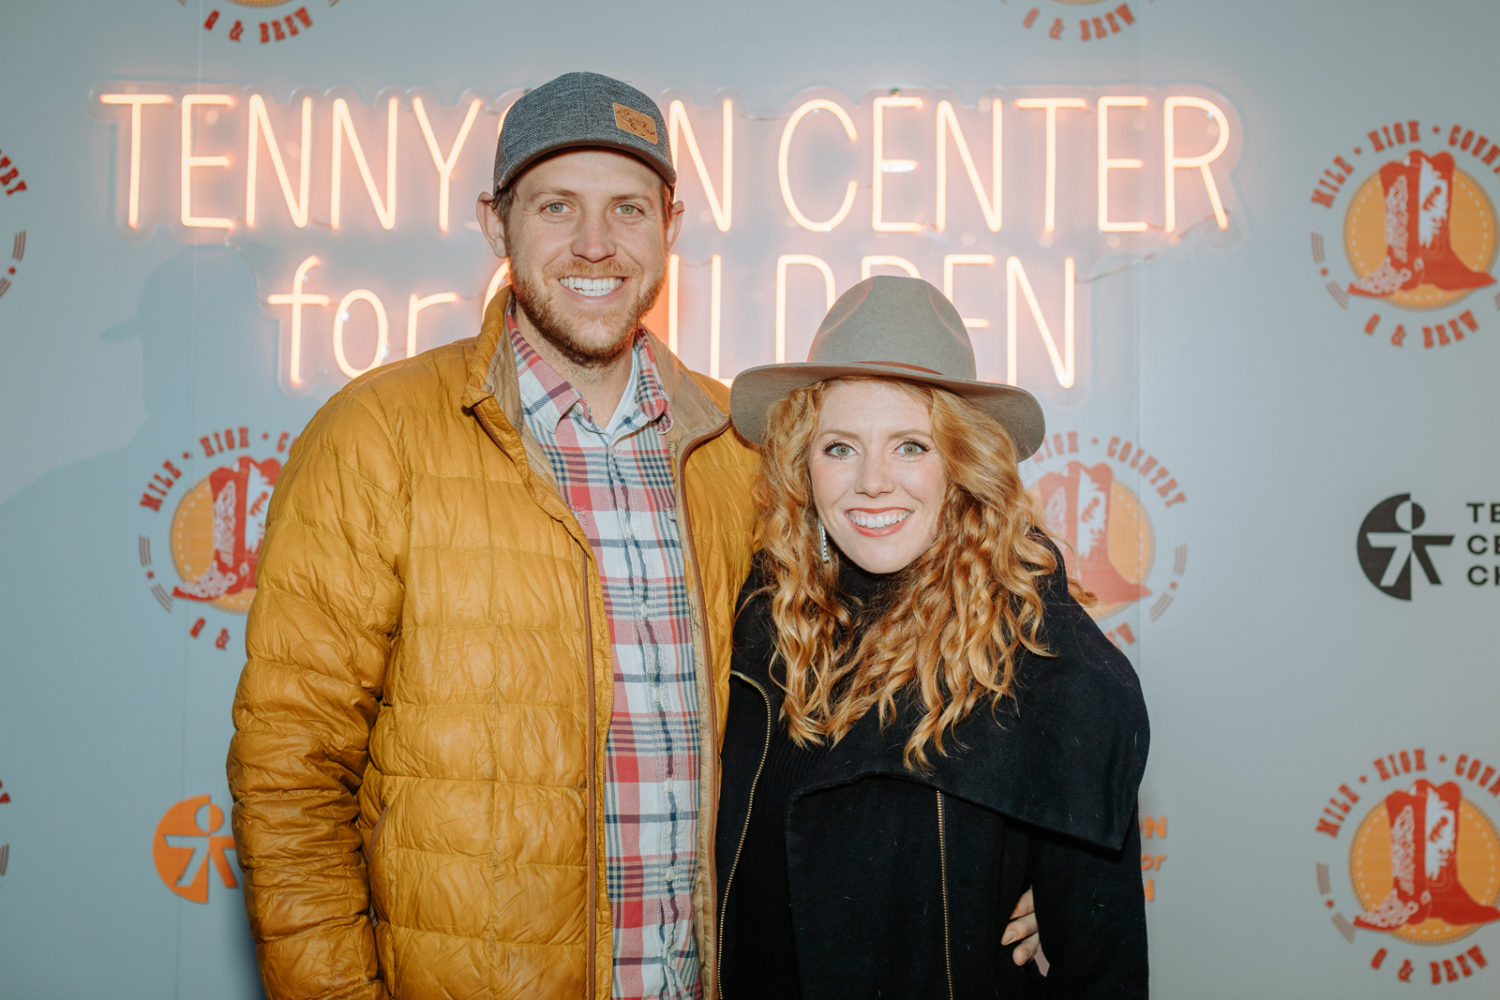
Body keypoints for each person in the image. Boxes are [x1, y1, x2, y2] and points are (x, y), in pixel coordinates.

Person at [227, 71, 1043, 1000]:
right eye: (556, 206)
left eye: (627, 208)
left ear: (670, 227)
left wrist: (1022, 862)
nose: (594, 243)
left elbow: (906, 645)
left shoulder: (740, 449)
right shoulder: (379, 436)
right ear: (495, 224)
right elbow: (290, 772)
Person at [715, 276, 1150, 998]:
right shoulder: (763, 620)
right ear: (802, 463)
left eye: (911, 446)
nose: (873, 482)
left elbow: (1102, 967)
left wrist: (1062, 899)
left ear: (963, 461)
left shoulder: (1045, 662)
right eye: (840, 448)